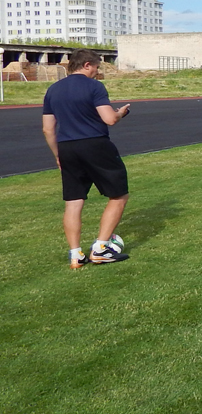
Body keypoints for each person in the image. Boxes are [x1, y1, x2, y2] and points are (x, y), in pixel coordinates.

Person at [42, 49, 131, 269]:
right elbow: (109, 119)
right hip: (94, 144)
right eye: (96, 67)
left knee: (73, 201)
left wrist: (57, 155)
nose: (97, 72)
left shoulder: (53, 89)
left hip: (67, 147)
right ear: (87, 65)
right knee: (119, 194)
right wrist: (121, 113)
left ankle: (76, 255)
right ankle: (100, 248)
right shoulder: (94, 87)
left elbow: (48, 129)